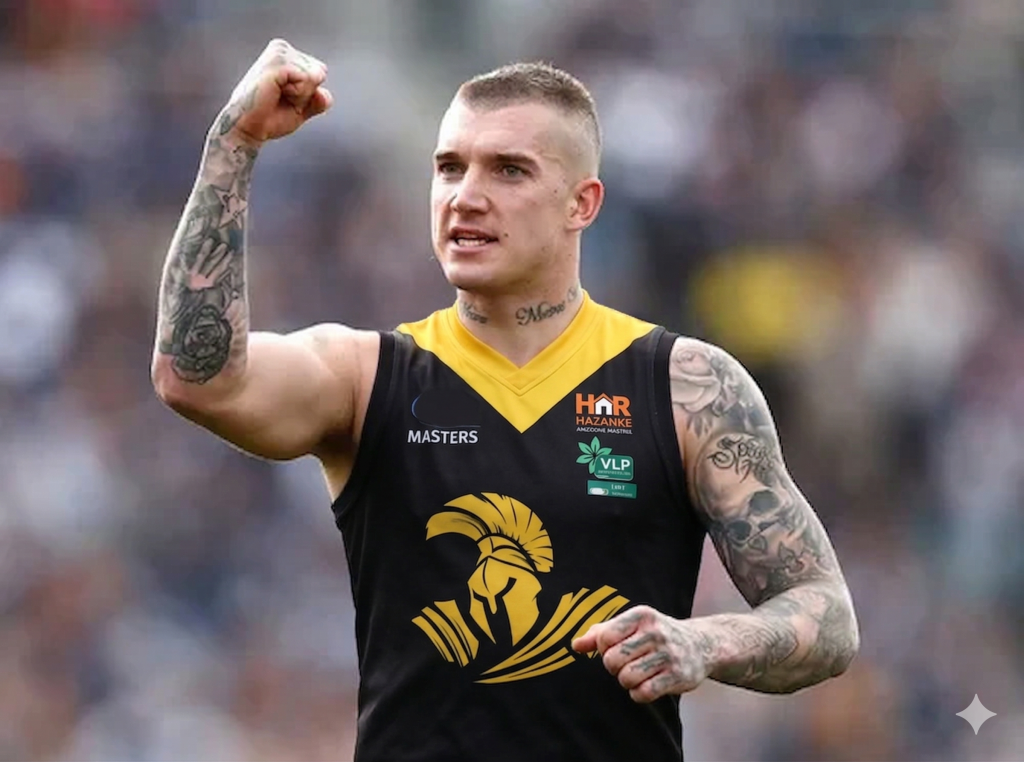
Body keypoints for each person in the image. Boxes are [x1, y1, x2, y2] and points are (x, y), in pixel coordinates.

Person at [151, 39, 860, 762]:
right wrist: (234, 143)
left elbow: (827, 617)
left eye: (509, 170)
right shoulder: (366, 377)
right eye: (449, 167)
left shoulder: (684, 386)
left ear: (582, 203)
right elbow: (196, 377)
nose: (466, 195)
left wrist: (702, 642)